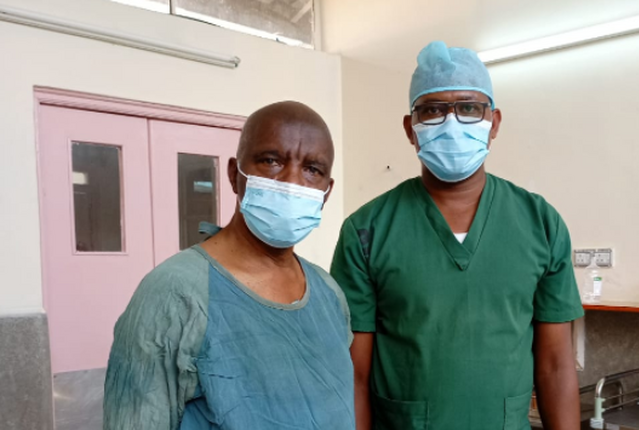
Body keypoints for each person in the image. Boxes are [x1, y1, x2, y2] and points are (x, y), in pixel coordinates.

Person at [331, 41, 584, 430]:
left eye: (469, 108)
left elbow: (555, 365)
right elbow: (354, 376)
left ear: (494, 122)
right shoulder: (367, 231)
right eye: (432, 110)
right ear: (410, 128)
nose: (451, 122)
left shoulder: (540, 224)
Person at [104, 101, 355, 430]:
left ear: (326, 192)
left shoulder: (328, 294)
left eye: (312, 169)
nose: (292, 181)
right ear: (235, 175)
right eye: (271, 161)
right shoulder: (174, 294)